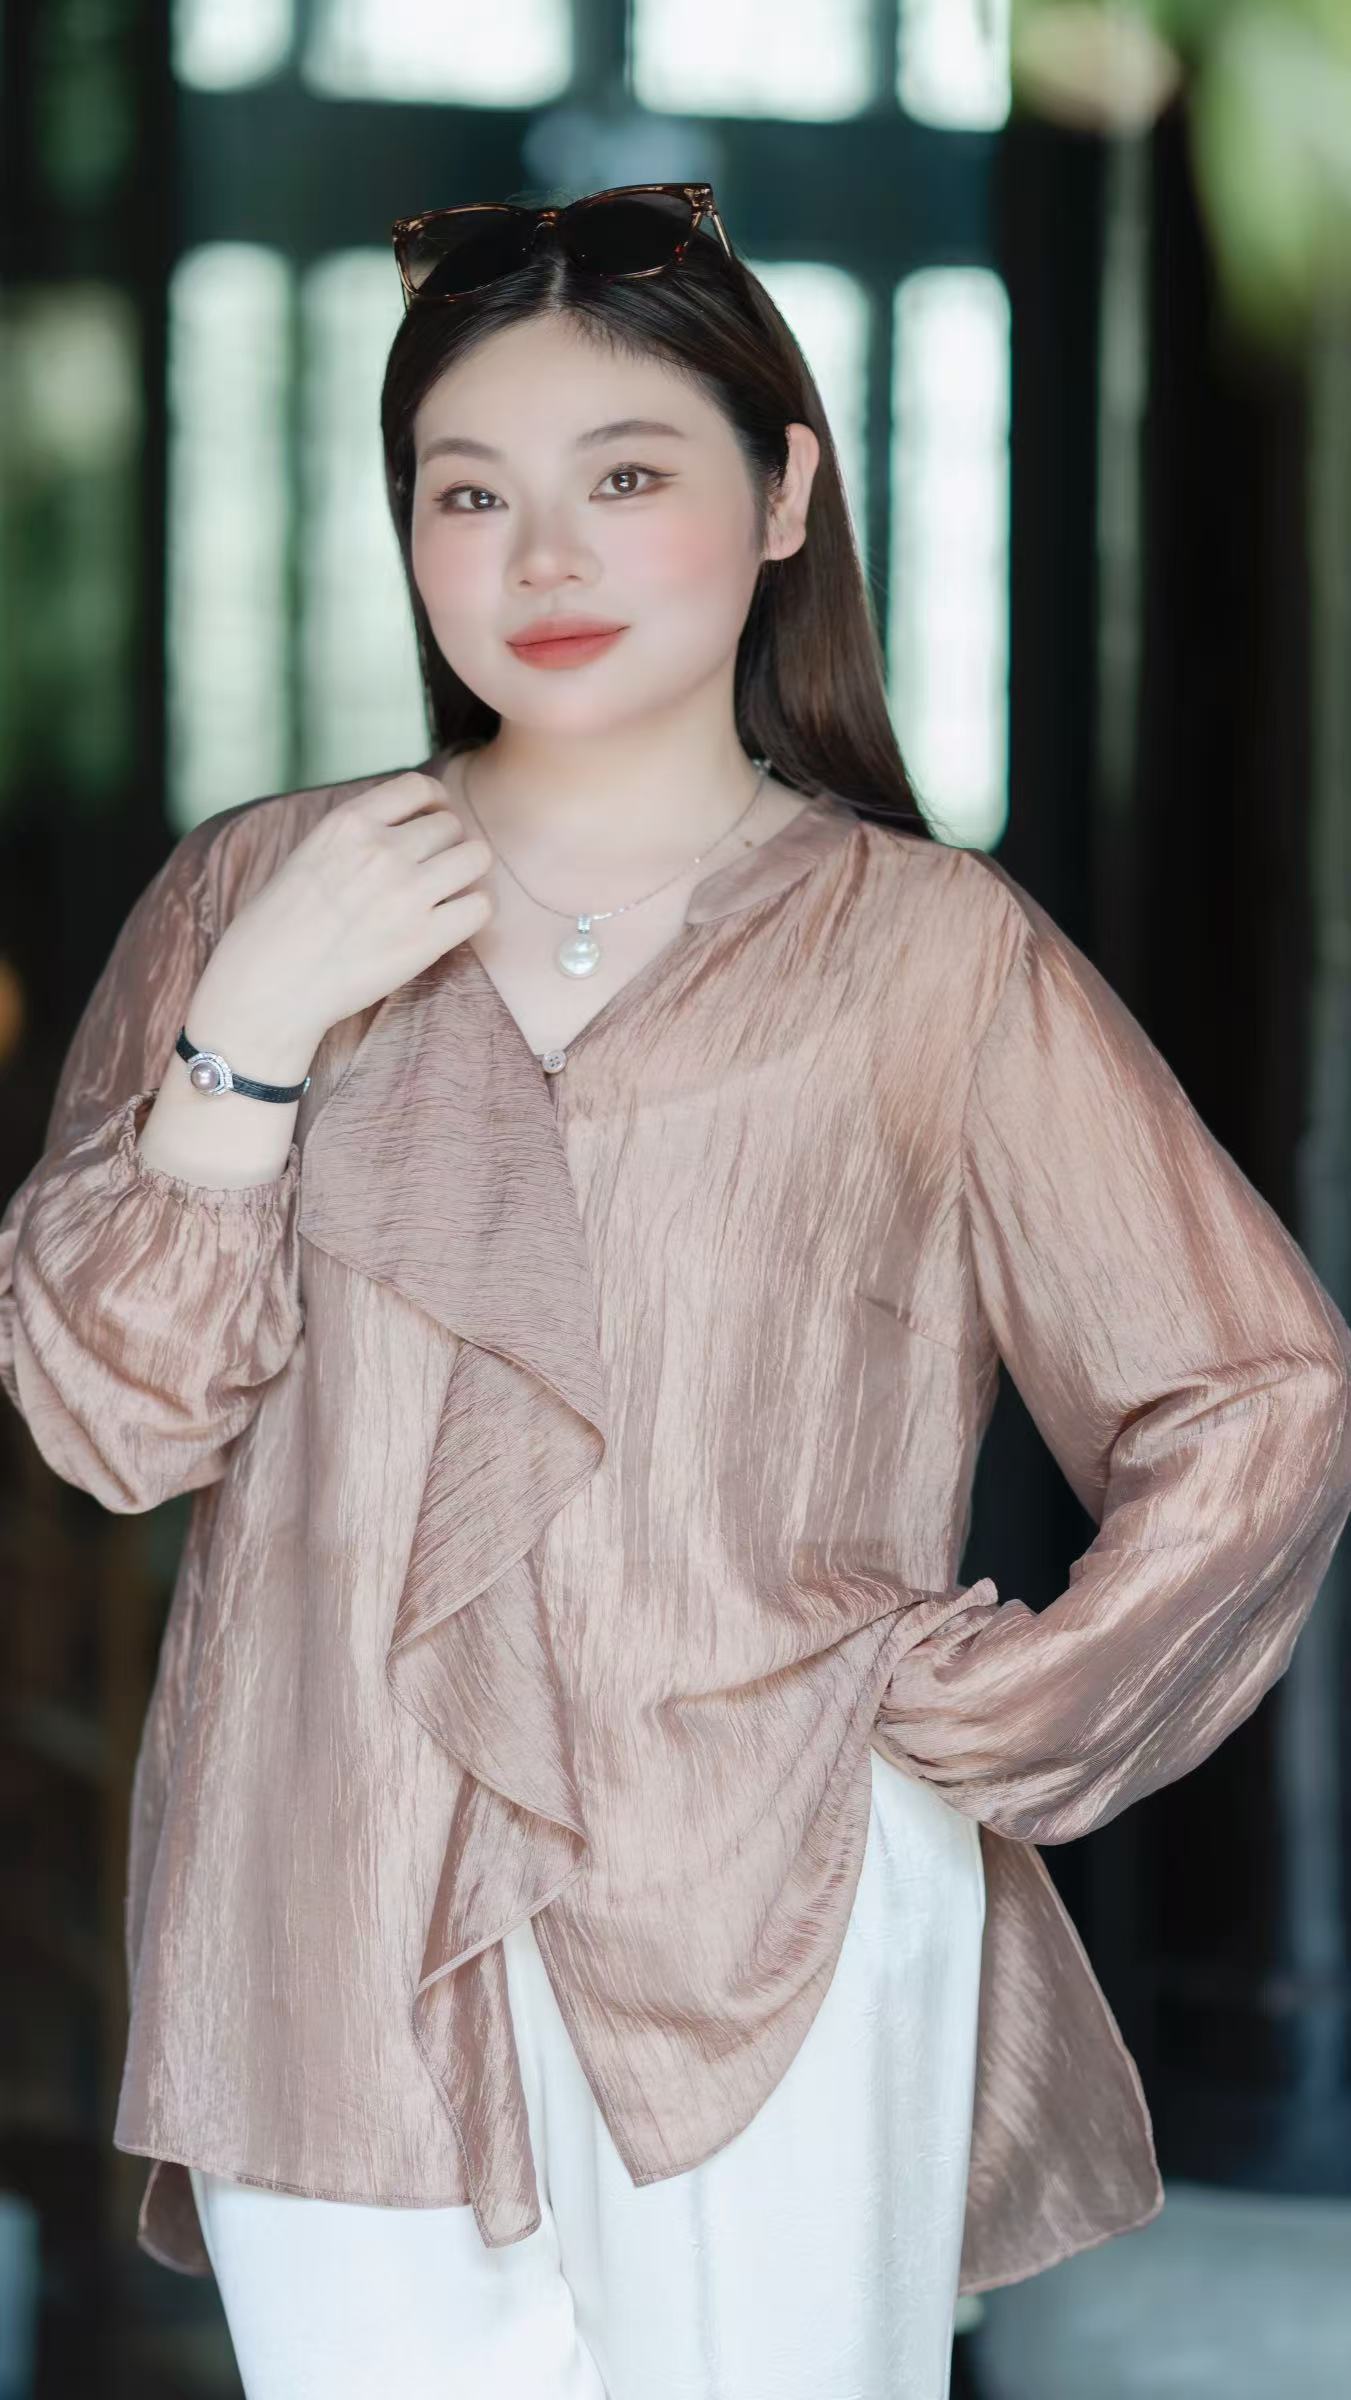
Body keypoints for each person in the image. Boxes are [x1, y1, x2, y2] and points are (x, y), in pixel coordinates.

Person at [2, 184, 1349, 2400]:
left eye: (625, 478)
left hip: (777, 1895)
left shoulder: (928, 950)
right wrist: (248, 1029)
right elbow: (119, 1423)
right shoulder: (260, 891)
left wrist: (1016, 1703)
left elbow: (1254, 1387)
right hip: (318, 1892)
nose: (542, 559)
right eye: (469, 494)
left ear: (783, 493)